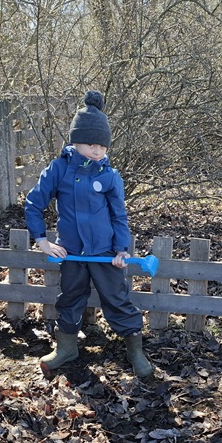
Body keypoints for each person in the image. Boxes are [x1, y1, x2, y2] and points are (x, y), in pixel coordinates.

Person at [25, 90, 153, 379]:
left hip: (105, 253)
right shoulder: (58, 170)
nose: (97, 151)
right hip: (71, 252)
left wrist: (121, 249)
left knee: (117, 298)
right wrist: (42, 241)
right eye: (91, 144)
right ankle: (66, 348)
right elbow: (33, 204)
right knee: (70, 298)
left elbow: (119, 216)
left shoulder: (109, 176)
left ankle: (135, 350)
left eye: (102, 146)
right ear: (75, 141)